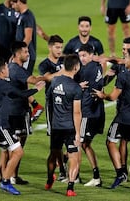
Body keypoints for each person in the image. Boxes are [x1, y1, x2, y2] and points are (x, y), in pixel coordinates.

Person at [93, 48, 130, 191]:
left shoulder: (124, 76)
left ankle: (120, 173)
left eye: (126, 58)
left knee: (110, 141)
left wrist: (103, 95)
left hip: (123, 118)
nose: (124, 61)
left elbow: (113, 97)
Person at [0, 58, 45, 195]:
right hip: (0, 126)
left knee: (9, 149)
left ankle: (1, 175)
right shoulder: (1, 84)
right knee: (18, 151)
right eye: (7, 68)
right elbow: (21, 94)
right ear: (2, 71)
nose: (9, 70)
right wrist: (36, 89)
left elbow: (12, 95)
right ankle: (6, 181)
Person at [0, 41, 45, 185]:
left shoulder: (12, 67)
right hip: (17, 111)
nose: (28, 54)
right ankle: (8, 176)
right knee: (17, 145)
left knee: (12, 145)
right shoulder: (17, 69)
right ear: (18, 54)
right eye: (25, 52)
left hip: (12, 110)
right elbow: (34, 81)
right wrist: (52, 76)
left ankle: (10, 175)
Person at [45, 54, 82, 197]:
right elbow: (77, 112)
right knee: (73, 157)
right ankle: (70, 188)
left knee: (53, 154)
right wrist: (78, 133)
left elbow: (49, 100)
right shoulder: (75, 88)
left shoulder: (54, 82)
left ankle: (49, 180)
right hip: (70, 128)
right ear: (75, 67)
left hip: (56, 126)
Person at [104, 36, 130, 178]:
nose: (124, 51)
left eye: (127, 49)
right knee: (123, 139)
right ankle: (123, 168)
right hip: (122, 110)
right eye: (123, 49)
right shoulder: (118, 66)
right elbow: (106, 79)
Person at [38, 35, 67, 181]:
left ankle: (66, 168)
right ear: (50, 47)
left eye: (61, 47)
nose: (59, 50)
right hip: (53, 106)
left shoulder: (64, 61)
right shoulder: (44, 64)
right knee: (56, 142)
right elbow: (48, 78)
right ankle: (61, 169)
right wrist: (64, 71)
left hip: (67, 104)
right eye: (57, 47)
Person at [77, 44, 105, 187]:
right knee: (85, 143)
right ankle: (95, 176)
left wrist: (76, 85)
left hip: (88, 112)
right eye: (80, 55)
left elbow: (74, 85)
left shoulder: (86, 70)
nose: (81, 58)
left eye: (84, 56)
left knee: (80, 143)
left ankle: (75, 175)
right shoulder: (98, 66)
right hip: (97, 111)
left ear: (91, 55)